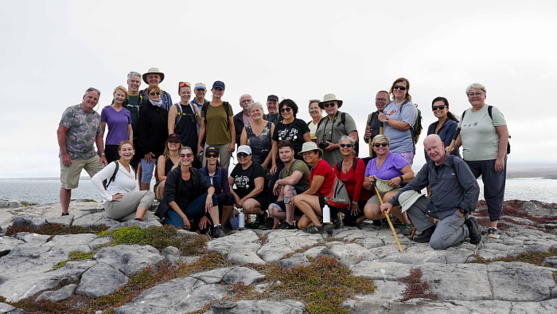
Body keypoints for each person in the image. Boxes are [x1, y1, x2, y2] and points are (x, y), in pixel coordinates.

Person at [381, 135, 481, 249]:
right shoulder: (428, 167)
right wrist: (391, 202)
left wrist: (463, 210)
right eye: (429, 149)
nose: (432, 152)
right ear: (425, 151)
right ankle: (428, 229)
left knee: (437, 243)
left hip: (453, 212)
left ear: (442, 145)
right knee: (406, 197)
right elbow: (412, 186)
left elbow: (473, 188)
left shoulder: (456, 163)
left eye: (435, 147)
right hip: (435, 208)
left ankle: (467, 228)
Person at [451, 83, 510, 239]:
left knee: (493, 191)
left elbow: (504, 135)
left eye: (478, 93)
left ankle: (493, 226)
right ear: (468, 98)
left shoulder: (492, 111)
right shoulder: (465, 114)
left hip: (492, 159)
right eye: (471, 94)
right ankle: (465, 219)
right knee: (464, 189)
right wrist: (450, 148)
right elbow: (461, 137)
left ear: (485, 95)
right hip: (470, 160)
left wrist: (500, 158)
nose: (474, 96)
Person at [57, 87, 107, 216]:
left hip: (91, 155)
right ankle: (65, 213)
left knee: (106, 177)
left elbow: (99, 137)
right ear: (84, 97)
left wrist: (102, 155)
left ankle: (109, 206)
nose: (92, 100)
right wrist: (64, 154)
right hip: (72, 155)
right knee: (68, 185)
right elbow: (60, 132)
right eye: (90, 97)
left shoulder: (97, 117)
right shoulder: (71, 111)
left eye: (95, 99)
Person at [161, 147, 226, 238]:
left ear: (192, 158)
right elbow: (170, 200)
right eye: (183, 155)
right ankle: (168, 220)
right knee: (179, 230)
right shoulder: (173, 174)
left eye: (188, 155)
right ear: (179, 157)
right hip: (174, 208)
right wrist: (184, 217)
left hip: (189, 207)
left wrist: (209, 196)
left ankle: (216, 227)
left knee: (212, 196)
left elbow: (210, 187)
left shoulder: (196, 172)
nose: (185, 158)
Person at [359, 135, 414, 234]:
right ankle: (393, 216)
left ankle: (406, 223)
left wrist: (399, 178)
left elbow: (411, 174)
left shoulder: (395, 158)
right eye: (377, 144)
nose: (381, 147)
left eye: (384, 144)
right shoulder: (371, 163)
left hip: (397, 190)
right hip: (380, 193)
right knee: (369, 212)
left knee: (388, 197)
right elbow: (365, 186)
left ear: (388, 146)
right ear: (373, 147)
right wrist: (370, 183)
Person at [91, 141, 154, 220]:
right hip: (113, 204)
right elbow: (95, 179)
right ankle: (137, 221)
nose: (127, 152)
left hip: (124, 205)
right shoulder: (114, 165)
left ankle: (128, 218)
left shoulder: (131, 169)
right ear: (119, 152)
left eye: (129, 149)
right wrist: (107, 197)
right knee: (149, 193)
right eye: (124, 150)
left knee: (149, 216)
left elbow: (133, 191)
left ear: (133, 152)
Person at [289, 142, 336, 234]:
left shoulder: (321, 165)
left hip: (327, 202)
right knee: (301, 225)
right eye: (304, 154)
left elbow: (313, 190)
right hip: (321, 201)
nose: (306, 156)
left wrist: (296, 198)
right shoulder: (314, 167)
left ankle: (318, 225)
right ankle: (328, 221)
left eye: (309, 153)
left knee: (298, 199)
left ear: (317, 153)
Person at [268, 140, 310, 229]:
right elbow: (281, 195)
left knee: (288, 187)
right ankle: (301, 219)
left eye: (287, 152)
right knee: (272, 209)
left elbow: (292, 181)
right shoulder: (283, 171)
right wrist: (276, 217)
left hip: (307, 199)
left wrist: (278, 181)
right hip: (293, 203)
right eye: (281, 152)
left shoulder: (299, 163)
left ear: (293, 152)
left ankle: (289, 223)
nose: (284, 154)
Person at [378, 78, 418, 165]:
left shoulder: (409, 106)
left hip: (402, 150)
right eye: (396, 87)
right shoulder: (388, 105)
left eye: (402, 88)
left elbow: (405, 125)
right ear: (392, 89)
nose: (398, 89)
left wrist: (386, 120)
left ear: (406, 91)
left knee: (401, 177)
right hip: (388, 150)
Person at [136, 84, 169, 191]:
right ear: (148, 95)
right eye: (152, 93)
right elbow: (142, 131)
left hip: (161, 151)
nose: (155, 95)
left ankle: (158, 197)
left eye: (157, 93)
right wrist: (146, 150)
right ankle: (145, 198)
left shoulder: (164, 112)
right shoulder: (144, 111)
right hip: (148, 151)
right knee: (147, 175)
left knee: (160, 175)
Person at [197, 81, 235, 169]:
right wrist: (199, 145)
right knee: (205, 167)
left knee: (224, 168)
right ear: (212, 90)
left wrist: (233, 143)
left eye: (220, 90)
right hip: (210, 142)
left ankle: (223, 183)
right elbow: (203, 127)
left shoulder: (226, 106)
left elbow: (232, 126)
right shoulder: (206, 106)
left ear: (223, 92)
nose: (218, 91)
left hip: (225, 143)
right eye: (216, 89)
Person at [314, 93, 359, 167]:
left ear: (337, 105)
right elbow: (317, 142)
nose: (329, 107)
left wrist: (335, 146)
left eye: (332, 104)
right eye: (326, 105)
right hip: (324, 164)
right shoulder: (321, 121)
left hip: (343, 164)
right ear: (324, 108)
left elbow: (354, 138)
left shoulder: (345, 117)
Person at [333, 136, 368, 227]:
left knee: (349, 222)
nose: (345, 147)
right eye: (343, 145)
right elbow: (337, 185)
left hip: (360, 198)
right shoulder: (338, 165)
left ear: (353, 148)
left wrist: (354, 202)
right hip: (346, 199)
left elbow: (359, 183)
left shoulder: (358, 162)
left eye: (348, 145)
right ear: (339, 147)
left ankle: (366, 216)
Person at [229, 146, 268, 225]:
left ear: (250, 156)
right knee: (227, 196)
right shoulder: (237, 167)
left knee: (246, 206)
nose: (242, 157)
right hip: (241, 194)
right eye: (240, 155)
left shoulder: (256, 167)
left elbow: (259, 188)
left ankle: (262, 213)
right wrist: (236, 197)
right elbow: (228, 183)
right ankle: (230, 221)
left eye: (245, 155)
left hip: (257, 196)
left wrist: (242, 200)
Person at [168, 82, 202, 168]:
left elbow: (201, 124)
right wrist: (173, 146)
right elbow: (170, 129)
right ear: (179, 93)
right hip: (180, 145)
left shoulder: (194, 107)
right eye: (183, 93)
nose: (186, 95)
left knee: (194, 170)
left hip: (193, 146)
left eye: (188, 92)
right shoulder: (175, 107)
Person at [199, 146, 234, 228]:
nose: (211, 157)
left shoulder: (222, 171)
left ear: (218, 157)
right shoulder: (200, 172)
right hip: (205, 201)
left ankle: (222, 225)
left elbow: (226, 191)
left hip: (217, 199)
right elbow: (198, 192)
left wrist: (214, 197)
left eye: (214, 155)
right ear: (206, 157)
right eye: (209, 155)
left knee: (229, 197)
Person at [101, 86, 133, 163]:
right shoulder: (106, 110)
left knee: (124, 171)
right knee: (112, 171)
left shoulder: (127, 112)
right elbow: (101, 130)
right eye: (118, 95)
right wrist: (101, 150)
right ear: (114, 95)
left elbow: (130, 130)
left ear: (125, 98)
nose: (120, 97)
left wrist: (130, 145)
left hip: (124, 147)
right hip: (111, 145)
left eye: (122, 96)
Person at [240, 102, 275, 170]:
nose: (255, 112)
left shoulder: (271, 126)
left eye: (257, 110)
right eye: (253, 111)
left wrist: (265, 163)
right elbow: (243, 149)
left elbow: (274, 146)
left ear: (262, 111)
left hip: (268, 163)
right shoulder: (246, 128)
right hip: (250, 164)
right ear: (249, 114)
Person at [426, 97, 460, 161]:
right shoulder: (431, 127)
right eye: (435, 108)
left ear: (447, 108)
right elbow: (427, 148)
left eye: (441, 107)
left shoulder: (452, 125)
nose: (438, 109)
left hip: (450, 162)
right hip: (435, 164)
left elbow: (448, 147)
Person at [123, 71, 143, 170]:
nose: (134, 84)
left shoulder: (144, 100)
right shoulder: (121, 98)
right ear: (127, 82)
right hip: (123, 139)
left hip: (139, 141)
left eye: (137, 82)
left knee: (136, 171)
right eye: (132, 81)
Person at [155, 134, 182, 200]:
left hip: (181, 183)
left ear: (179, 144)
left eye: (176, 142)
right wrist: (176, 180)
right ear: (167, 144)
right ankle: (163, 204)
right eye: (171, 141)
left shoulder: (184, 157)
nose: (173, 143)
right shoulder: (162, 158)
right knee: (163, 183)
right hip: (166, 184)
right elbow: (161, 177)